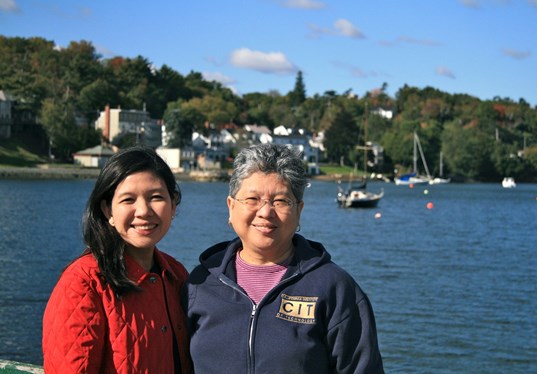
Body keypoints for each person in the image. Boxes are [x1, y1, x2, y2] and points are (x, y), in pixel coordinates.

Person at [183, 143, 384, 373]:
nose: (266, 212)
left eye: (280, 201)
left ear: (299, 210)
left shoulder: (334, 288)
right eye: (252, 199)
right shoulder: (200, 284)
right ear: (231, 207)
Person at [43, 146, 191, 373]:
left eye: (156, 197)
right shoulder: (84, 282)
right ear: (108, 211)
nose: (143, 210)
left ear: (172, 205)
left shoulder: (177, 275)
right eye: (128, 199)